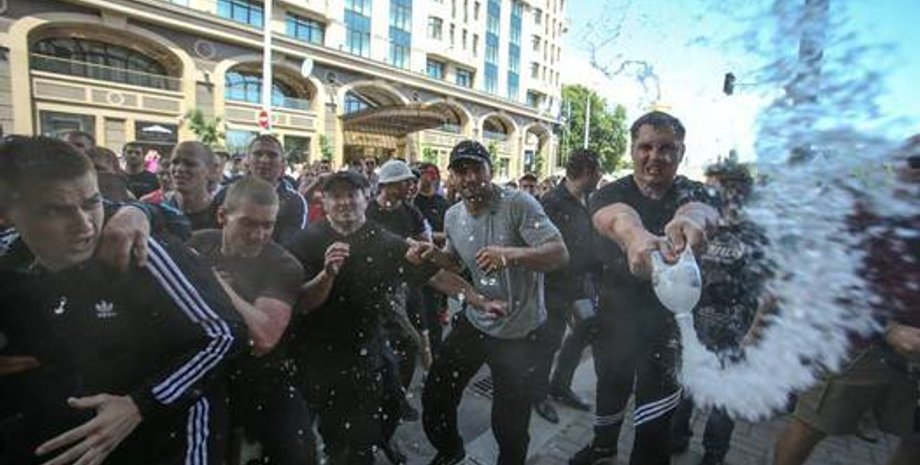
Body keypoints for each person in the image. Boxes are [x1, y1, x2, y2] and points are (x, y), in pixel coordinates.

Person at [0, 135, 245, 464]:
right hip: (75, 433)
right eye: (54, 211)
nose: (84, 225)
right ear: (7, 214)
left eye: (92, 203)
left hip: (171, 429)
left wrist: (140, 404)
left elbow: (225, 334)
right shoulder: (8, 259)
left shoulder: (139, 249)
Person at [287, 170, 507, 465]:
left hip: (367, 344)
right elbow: (299, 302)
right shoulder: (307, 241)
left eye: (351, 194)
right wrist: (327, 275)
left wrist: (478, 300)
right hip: (318, 350)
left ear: (365, 197)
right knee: (331, 431)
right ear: (323, 201)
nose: (344, 202)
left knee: (388, 405)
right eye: (335, 196)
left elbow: (435, 276)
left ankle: (372, 443)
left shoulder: (383, 241)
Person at [572, 111, 720, 465]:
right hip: (616, 320)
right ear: (633, 150)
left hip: (669, 328)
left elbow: (699, 211)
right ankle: (603, 447)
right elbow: (618, 218)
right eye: (646, 147)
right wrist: (634, 238)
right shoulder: (610, 192)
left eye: (667, 148)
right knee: (610, 390)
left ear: (681, 152)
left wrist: (688, 222)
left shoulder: (695, 191)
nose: (655, 156)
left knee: (656, 418)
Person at [409, 140, 570, 465]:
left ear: (491, 171)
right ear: (452, 177)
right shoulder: (453, 215)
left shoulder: (519, 204)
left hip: (519, 332)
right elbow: (456, 262)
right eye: (461, 170)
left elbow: (559, 254)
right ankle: (450, 449)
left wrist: (510, 255)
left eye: (476, 169)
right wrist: (433, 255)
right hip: (476, 319)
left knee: (509, 424)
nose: (469, 177)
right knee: (437, 393)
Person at [772, 136, 920, 465]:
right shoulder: (864, 211)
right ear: (896, 165)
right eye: (916, 161)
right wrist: (889, 328)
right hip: (858, 345)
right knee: (811, 425)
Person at [188, 176, 315, 465]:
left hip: (264, 378)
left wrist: (216, 285)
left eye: (267, 225)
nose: (258, 235)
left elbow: (262, 339)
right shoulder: (197, 244)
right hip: (206, 376)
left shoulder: (283, 264)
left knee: (298, 456)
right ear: (222, 216)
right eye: (248, 223)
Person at [670, 158, 770, 465]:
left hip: (735, 334)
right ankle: (677, 437)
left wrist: (754, 333)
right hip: (695, 329)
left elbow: (770, 290)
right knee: (685, 388)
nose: (708, 195)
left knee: (724, 401)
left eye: (715, 190)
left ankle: (714, 454)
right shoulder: (701, 225)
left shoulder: (757, 234)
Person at [532, 148, 603, 424]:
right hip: (553, 286)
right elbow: (539, 246)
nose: (600, 176)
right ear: (586, 172)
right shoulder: (551, 202)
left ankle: (560, 385)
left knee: (586, 328)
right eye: (598, 171)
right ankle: (538, 395)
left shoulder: (588, 199)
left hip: (581, 284)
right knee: (549, 342)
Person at [367, 159, 431, 420]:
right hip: (375, 290)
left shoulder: (411, 212)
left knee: (411, 344)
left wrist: (416, 247)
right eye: (406, 182)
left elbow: (426, 244)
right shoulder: (368, 210)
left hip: (408, 286)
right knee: (379, 349)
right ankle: (378, 400)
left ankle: (399, 397)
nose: (411, 186)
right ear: (389, 184)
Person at [216, 135, 308, 245]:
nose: (264, 160)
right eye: (258, 154)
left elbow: (291, 246)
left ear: (282, 163)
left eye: (272, 155)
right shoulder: (226, 194)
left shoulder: (294, 202)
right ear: (247, 160)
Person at [413, 163, 451, 349]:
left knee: (431, 307)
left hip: (437, 261)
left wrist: (430, 237)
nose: (426, 178)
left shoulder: (442, 204)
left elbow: (449, 233)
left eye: (430, 174)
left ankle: (433, 350)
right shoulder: (413, 202)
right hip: (414, 262)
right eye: (422, 174)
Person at [164, 141, 221, 231]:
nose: (179, 168)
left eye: (190, 164)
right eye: (175, 162)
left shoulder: (222, 219)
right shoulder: (159, 214)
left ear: (211, 171)